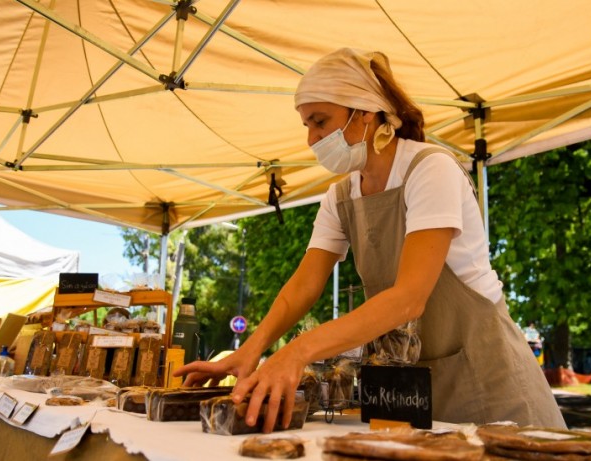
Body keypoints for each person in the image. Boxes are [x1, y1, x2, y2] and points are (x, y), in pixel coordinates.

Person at [174, 47, 565, 432]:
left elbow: (409, 297)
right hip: (418, 394)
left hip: (493, 384)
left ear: (364, 112)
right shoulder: (340, 198)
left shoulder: (431, 170)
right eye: (307, 125)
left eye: (320, 121)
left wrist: (299, 351)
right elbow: (303, 287)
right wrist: (250, 350)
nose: (311, 139)